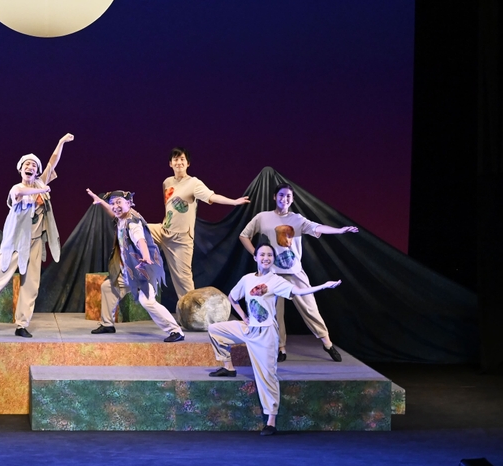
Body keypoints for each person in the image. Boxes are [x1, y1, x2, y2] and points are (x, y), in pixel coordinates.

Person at [207, 243, 342, 436]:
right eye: (262, 255)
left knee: (267, 376)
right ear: (255, 258)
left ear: (273, 260)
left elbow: (298, 292)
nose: (266, 258)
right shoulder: (247, 279)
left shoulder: (276, 281)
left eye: (270, 255)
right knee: (214, 329)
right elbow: (232, 297)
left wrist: (322, 287)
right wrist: (244, 317)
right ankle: (228, 367)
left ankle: (271, 420)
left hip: (266, 334)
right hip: (249, 328)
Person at [0, 133, 74, 338]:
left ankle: (22, 325)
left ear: (37, 171)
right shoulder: (17, 188)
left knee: (31, 285)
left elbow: (53, 161)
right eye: (27, 164)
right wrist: (41, 190)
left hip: (35, 243)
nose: (30, 166)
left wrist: (60, 142)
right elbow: (19, 194)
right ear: (20, 169)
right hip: (14, 244)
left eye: (34, 165)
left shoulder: (40, 184)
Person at [239, 183, 358, 362]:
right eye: (281, 195)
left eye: (288, 196)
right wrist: (257, 254)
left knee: (310, 308)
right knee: (275, 313)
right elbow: (244, 235)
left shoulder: (298, 219)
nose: (284, 199)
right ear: (275, 197)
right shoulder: (263, 217)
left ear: (292, 199)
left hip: (294, 272)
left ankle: (327, 343)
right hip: (272, 274)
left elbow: (318, 228)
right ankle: (281, 348)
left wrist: (339, 230)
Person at [148, 148, 250, 299]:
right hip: (164, 231)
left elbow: (212, 196)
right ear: (170, 163)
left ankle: (193, 310)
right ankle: (134, 269)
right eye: (175, 159)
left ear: (188, 163)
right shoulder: (167, 182)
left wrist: (233, 202)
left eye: (182, 159)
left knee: (185, 284)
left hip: (181, 240)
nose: (179, 162)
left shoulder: (193, 183)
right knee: (138, 229)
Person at [86, 189, 184, 342]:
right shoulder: (122, 218)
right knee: (108, 287)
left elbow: (140, 240)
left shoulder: (133, 223)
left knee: (147, 301)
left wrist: (146, 257)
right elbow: (113, 213)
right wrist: (101, 203)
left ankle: (175, 331)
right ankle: (107, 324)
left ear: (129, 203)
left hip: (143, 270)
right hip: (130, 271)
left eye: (119, 202)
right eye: (112, 203)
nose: (115, 206)